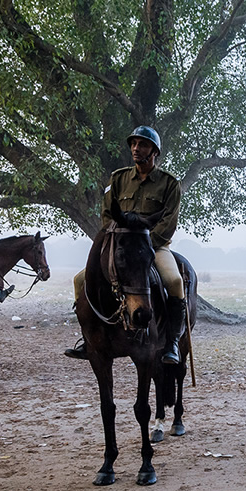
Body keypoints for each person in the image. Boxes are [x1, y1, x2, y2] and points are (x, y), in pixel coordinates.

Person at [65, 126, 185, 363]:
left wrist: (143, 246)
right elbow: (107, 215)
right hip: (120, 246)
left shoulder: (170, 184)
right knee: (80, 280)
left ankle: (171, 342)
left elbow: (168, 222)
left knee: (175, 281)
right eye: (133, 144)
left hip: (153, 247)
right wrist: (123, 242)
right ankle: (87, 340)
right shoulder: (118, 178)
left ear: (154, 151)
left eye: (142, 145)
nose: (136, 149)